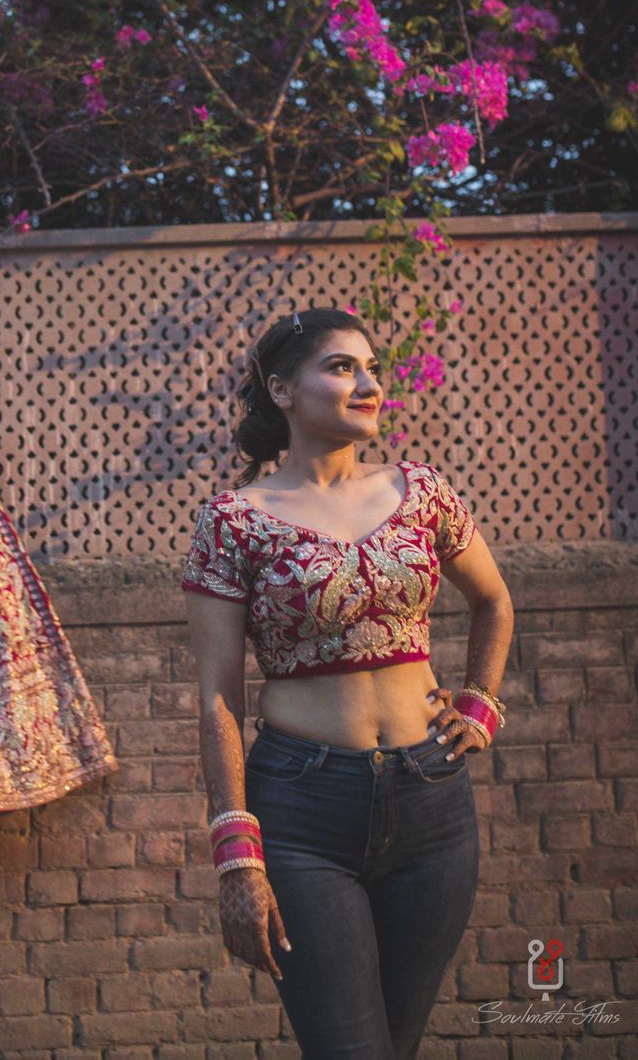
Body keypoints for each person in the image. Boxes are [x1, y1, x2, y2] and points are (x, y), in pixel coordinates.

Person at [181, 307, 515, 1060]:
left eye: (372, 370)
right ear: (281, 389)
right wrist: (236, 853)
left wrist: (480, 704)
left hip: (433, 799)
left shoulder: (422, 491)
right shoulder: (235, 520)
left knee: (398, 1044)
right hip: (303, 809)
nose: (368, 384)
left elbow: (494, 601)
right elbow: (218, 701)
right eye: (341, 367)